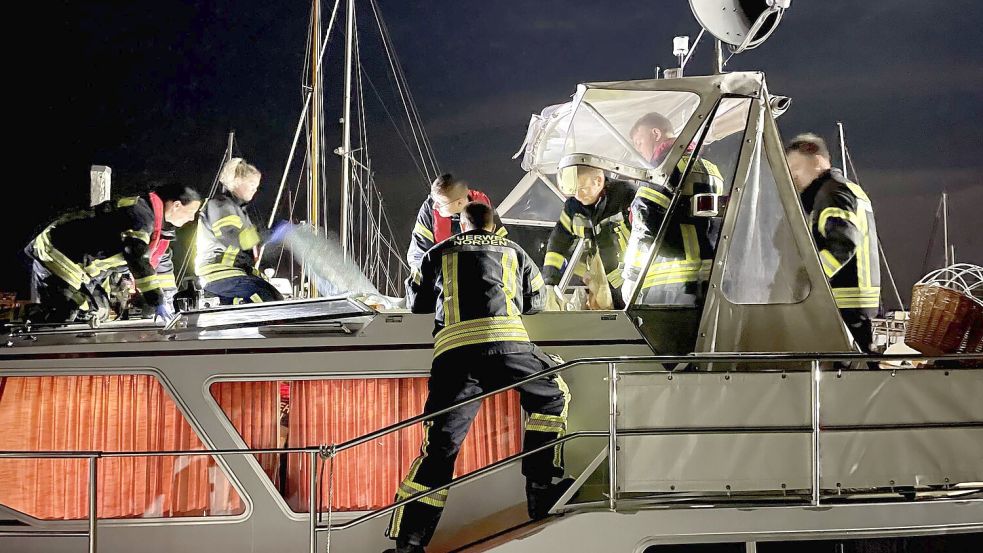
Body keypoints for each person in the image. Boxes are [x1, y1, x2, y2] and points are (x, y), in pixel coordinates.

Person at [386, 202, 573, 553]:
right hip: (509, 349)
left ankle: (409, 541)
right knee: (551, 396)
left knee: (440, 449)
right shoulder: (515, 251)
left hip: (455, 357)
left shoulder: (437, 252)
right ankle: (540, 489)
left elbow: (417, 304)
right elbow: (536, 303)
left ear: (461, 225)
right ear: (494, 225)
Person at [25, 182, 201, 323]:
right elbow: (135, 255)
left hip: (85, 271)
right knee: (62, 314)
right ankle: (23, 320)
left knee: (96, 312)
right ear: (177, 205)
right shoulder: (140, 214)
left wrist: (167, 300)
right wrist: (156, 301)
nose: (192, 218)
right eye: (192, 212)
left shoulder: (159, 233)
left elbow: (161, 268)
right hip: (59, 252)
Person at [786, 133, 881, 352]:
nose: (792, 176)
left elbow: (843, 243)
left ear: (817, 161)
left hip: (842, 302)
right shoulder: (845, 188)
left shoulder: (831, 193)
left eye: (795, 167)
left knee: (842, 374)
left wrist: (810, 281)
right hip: (855, 302)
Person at [621, 111, 724, 306]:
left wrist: (632, 277)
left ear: (655, 134)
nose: (638, 150)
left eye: (639, 142)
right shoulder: (710, 168)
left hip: (669, 284)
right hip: (709, 277)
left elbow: (644, 227)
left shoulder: (661, 171)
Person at [543, 164, 636, 309]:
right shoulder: (573, 208)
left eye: (582, 189)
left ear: (598, 180)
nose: (578, 196)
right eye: (574, 191)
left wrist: (635, 276)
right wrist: (549, 283)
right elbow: (557, 246)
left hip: (635, 280)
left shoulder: (626, 195)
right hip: (606, 285)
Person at [195, 158, 284, 304]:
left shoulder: (237, 210)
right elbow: (232, 236)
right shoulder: (220, 205)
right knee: (263, 298)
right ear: (237, 181)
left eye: (257, 186)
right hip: (219, 273)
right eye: (251, 184)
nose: (255, 189)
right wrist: (271, 233)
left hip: (235, 274)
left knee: (274, 296)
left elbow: (249, 243)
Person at [406, 173, 507, 272]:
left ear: (459, 202)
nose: (434, 206)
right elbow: (418, 255)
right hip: (442, 277)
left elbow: (501, 244)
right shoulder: (429, 210)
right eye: (434, 200)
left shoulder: (483, 203)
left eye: (440, 203)